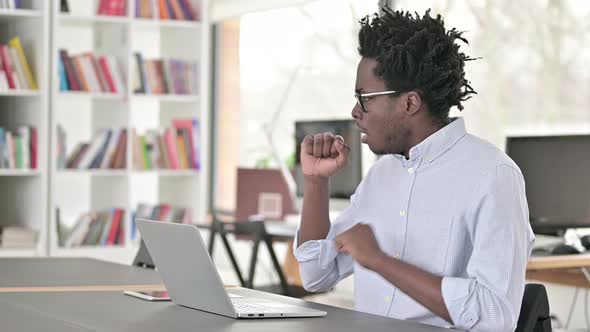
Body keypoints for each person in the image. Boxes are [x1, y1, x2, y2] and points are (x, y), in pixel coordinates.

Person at [294, 7, 534, 332]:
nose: (354, 111)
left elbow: (494, 315)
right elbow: (315, 275)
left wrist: (380, 261)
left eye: (364, 99)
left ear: (409, 103)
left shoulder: (493, 175)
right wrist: (315, 182)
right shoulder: (381, 175)